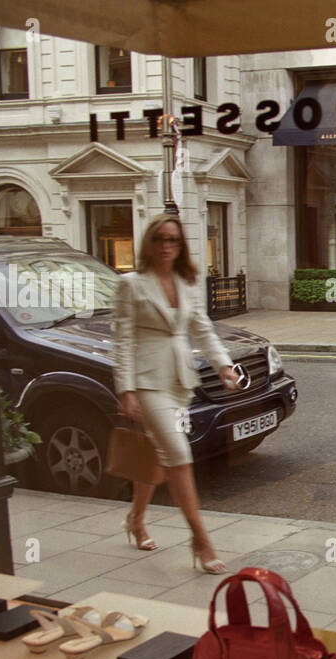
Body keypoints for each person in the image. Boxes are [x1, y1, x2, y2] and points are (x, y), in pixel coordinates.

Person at [112, 215, 240, 574]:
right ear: (149, 244)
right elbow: (123, 341)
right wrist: (126, 389)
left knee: (156, 454)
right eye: (161, 239)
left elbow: (203, 330)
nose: (167, 246)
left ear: (181, 246)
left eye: (174, 240)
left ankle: (136, 519)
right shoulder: (132, 285)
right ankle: (200, 539)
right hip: (147, 381)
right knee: (178, 455)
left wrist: (224, 366)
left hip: (179, 380)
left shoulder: (187, 283)